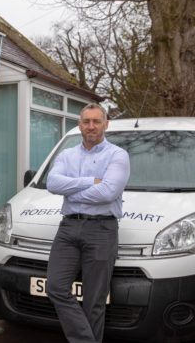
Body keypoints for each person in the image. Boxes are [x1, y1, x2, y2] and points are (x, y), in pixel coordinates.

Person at [46, 103, 130, 343]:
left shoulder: (118, 155)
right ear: (79, 125)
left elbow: (108, 192)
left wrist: (70, 190)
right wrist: (89, 181)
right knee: (55, 287)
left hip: (102, 229)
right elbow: (52, 183)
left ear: (106, 124)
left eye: (96, 121)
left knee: (94, 301)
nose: (91, 126)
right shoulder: (66, 155)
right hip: (69, 227)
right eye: (86, 121)